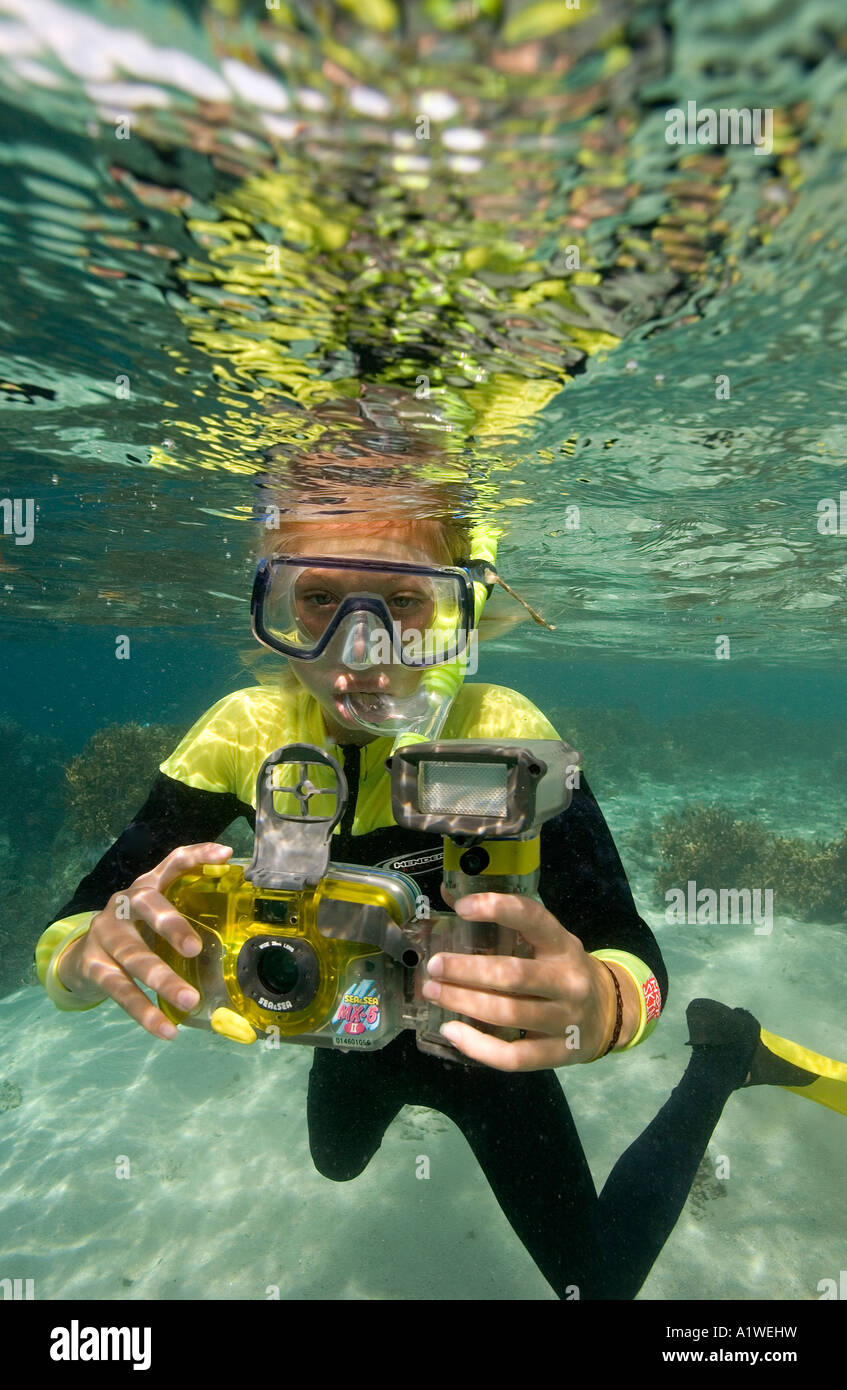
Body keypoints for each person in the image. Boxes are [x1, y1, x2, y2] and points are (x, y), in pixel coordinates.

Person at [35, 497, 847, 1301]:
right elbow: (83, 915)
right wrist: (81, 958)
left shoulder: (502, 727)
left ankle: (724, 1055)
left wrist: (603, 1005)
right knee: (336, 1160)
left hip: (488, 1055)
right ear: (271, 608)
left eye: (403, 603)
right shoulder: (242, 731)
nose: (361, 650)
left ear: (455, 612)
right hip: (348, 1031)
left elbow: (626, 940)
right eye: (317, 599)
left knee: (597, 1285)